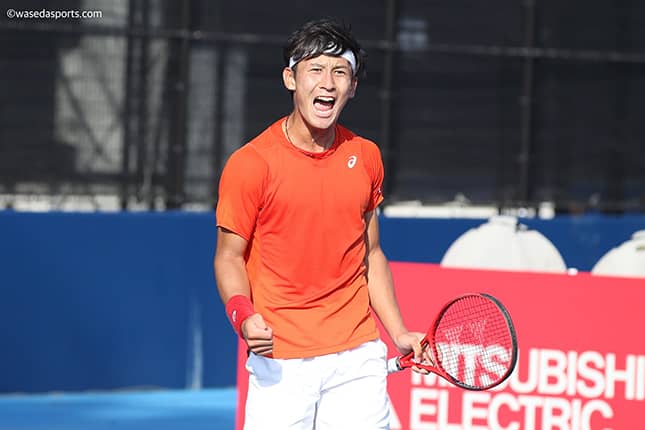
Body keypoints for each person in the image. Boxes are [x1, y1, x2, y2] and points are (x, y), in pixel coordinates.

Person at [214, 18, 427, 430]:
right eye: (315, 69)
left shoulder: (366, 156)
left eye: (340, 72)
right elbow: (228, 257)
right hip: (280, 358)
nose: (328, 83)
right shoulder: (251, 164)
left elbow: (371, 253)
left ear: (353, 87)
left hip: (357, 354)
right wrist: (243, 315)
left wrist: (398, 332)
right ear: (290, 79)